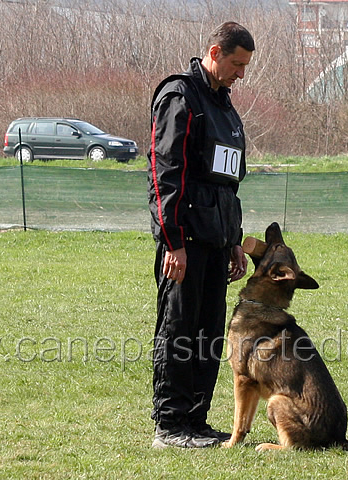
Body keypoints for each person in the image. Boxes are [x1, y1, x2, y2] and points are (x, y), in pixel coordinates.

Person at [147, 21, 255, 449]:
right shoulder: (180, 97)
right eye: (236, 64)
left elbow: (228, 182)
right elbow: (163, 172)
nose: (240, 74)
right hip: (185, 242)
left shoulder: (225, 110)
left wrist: (234, 240)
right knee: (179, 329)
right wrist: (172, 239)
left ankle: (196, 421)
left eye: (245, 66)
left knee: (209, 334)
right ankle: (170, 426)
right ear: (215, 52)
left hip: (215, 241)